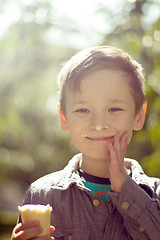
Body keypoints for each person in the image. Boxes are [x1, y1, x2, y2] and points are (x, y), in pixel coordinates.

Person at [12, 46, 160, 240]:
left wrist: (125, 186)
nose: (98, 125)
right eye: (83, 110)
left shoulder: (155, 196)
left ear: (139, 116)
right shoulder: (42, 195)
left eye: (114, 109)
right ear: (64, 118)